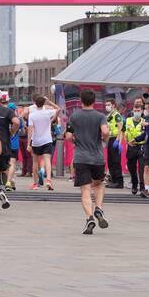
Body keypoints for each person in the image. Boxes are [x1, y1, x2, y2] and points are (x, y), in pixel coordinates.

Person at [66, 88, 110, 234]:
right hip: (97, 157)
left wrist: (75, 141)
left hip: (80, 157)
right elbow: (105, 132)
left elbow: (67, 136)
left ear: (81, 101)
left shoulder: (74, 116)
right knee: (99, 184)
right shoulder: (100, 116)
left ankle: (90, 217)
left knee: (85, 189)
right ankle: (98, 208)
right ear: (94, 101)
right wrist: (105, 140)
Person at [27, 95, 60, 190]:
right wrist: (49, 102)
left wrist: (29, 144)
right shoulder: (47, 112)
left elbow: (30, 130)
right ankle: (49, 180)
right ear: (43, 103)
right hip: (47, 140)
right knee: (47, 161)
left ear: (35, 104)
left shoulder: (32, 115)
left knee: (35, 162)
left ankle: (35, 183)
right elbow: (58, 109)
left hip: (36, 141)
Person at [124, 98, 147, 195]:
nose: (137, 112)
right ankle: (134, 184)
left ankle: (142, 187)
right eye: (135, 111)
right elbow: (124, 132)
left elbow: (146, 134)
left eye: (138, 111)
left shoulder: (144, 121)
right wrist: (127, 142)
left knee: (142, 167)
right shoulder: (128, 120)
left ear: (141, 111)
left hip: (141, 146)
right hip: (131, 146)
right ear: (132, 111)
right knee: (131, 167)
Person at [104, 98, 125, 188]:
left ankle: (119, 182)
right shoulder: (109, 115)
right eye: (106, 105)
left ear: (113, 105)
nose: (107, 106)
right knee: (110, 161)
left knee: (116, 161)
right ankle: (113, 180)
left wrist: (118, 140)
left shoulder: (117, 115)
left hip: (115, 139)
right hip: (110, 139)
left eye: (109, 104)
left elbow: (121, 128)